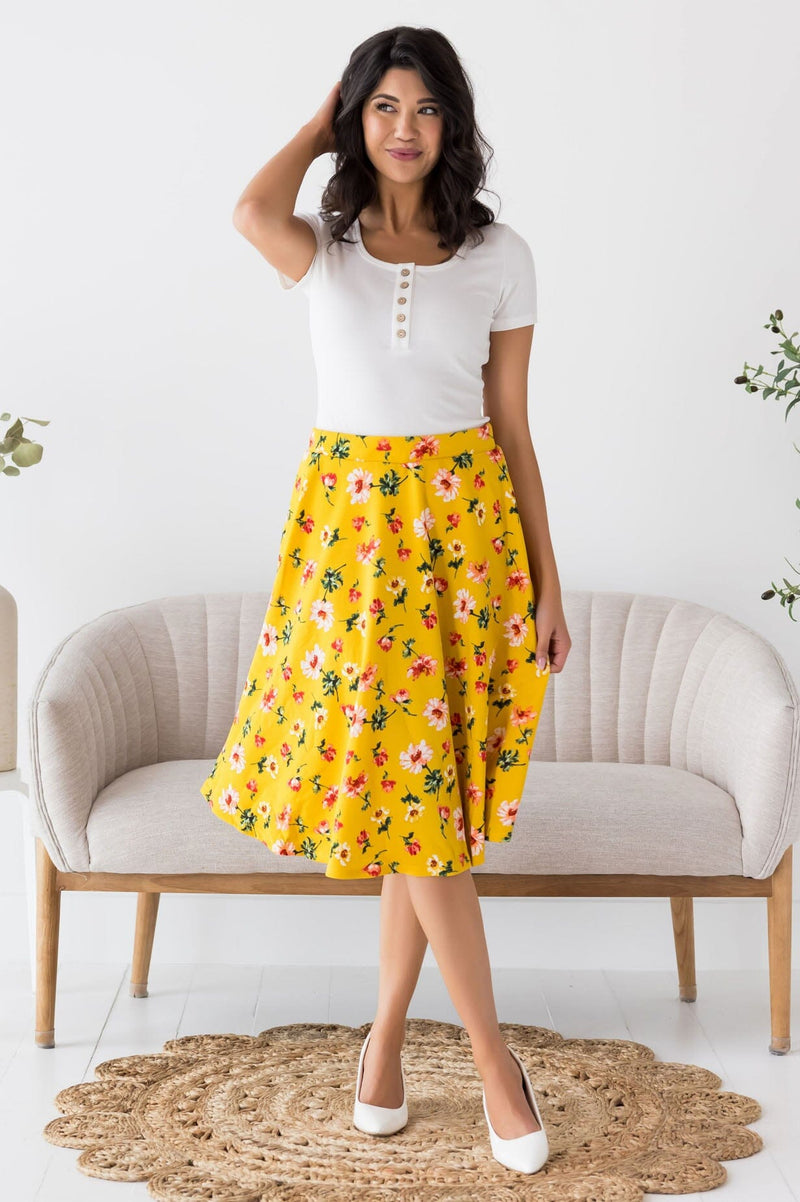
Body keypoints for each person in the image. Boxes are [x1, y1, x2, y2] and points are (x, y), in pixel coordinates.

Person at [200, 25, 571, 1175]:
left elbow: (512, 430)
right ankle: (493, 1063)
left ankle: (384, 1049)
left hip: (466, 542)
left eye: (424, 108)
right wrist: (320, 118)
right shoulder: (324, 246)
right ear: (355, 120)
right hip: (349, 547)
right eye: (382, 107)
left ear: (452, 122)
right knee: (417, 810)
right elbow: (247, 209)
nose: (404, 128)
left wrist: (547, 582)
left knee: (424, 805)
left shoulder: (500, 254)